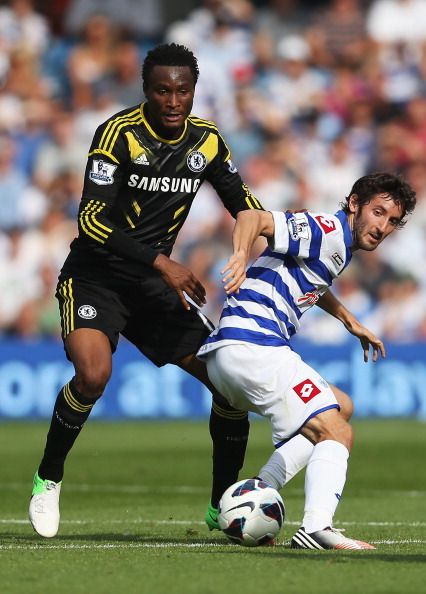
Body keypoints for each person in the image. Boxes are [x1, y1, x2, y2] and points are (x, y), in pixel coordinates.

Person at [28, 42, 263, 538]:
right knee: (93, 375)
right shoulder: (118, 134)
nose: (173, 101)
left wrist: (278, 238)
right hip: (97, 276)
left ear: (194, 90)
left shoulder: (208, 141)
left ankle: (221, 505)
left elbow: (245, 204)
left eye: (183, 90)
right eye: (163, 90)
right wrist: (165, 264)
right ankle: (48, 478)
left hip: (155, 286)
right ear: (146, 91)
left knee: (230, 384)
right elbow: (90, 220)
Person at [197, 172, 416, 550]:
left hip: (231, 356)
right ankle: (317, 527)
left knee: (341, 406)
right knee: (336, 432)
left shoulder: (337, 246)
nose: (382, 227)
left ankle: (257, 493)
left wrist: (350, 320)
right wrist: (238, 256)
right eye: (378, 212)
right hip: (254, 347)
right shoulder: (325, 228)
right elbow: (252, 218)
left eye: (392, 221)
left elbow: (313, 279)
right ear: (353, 204)